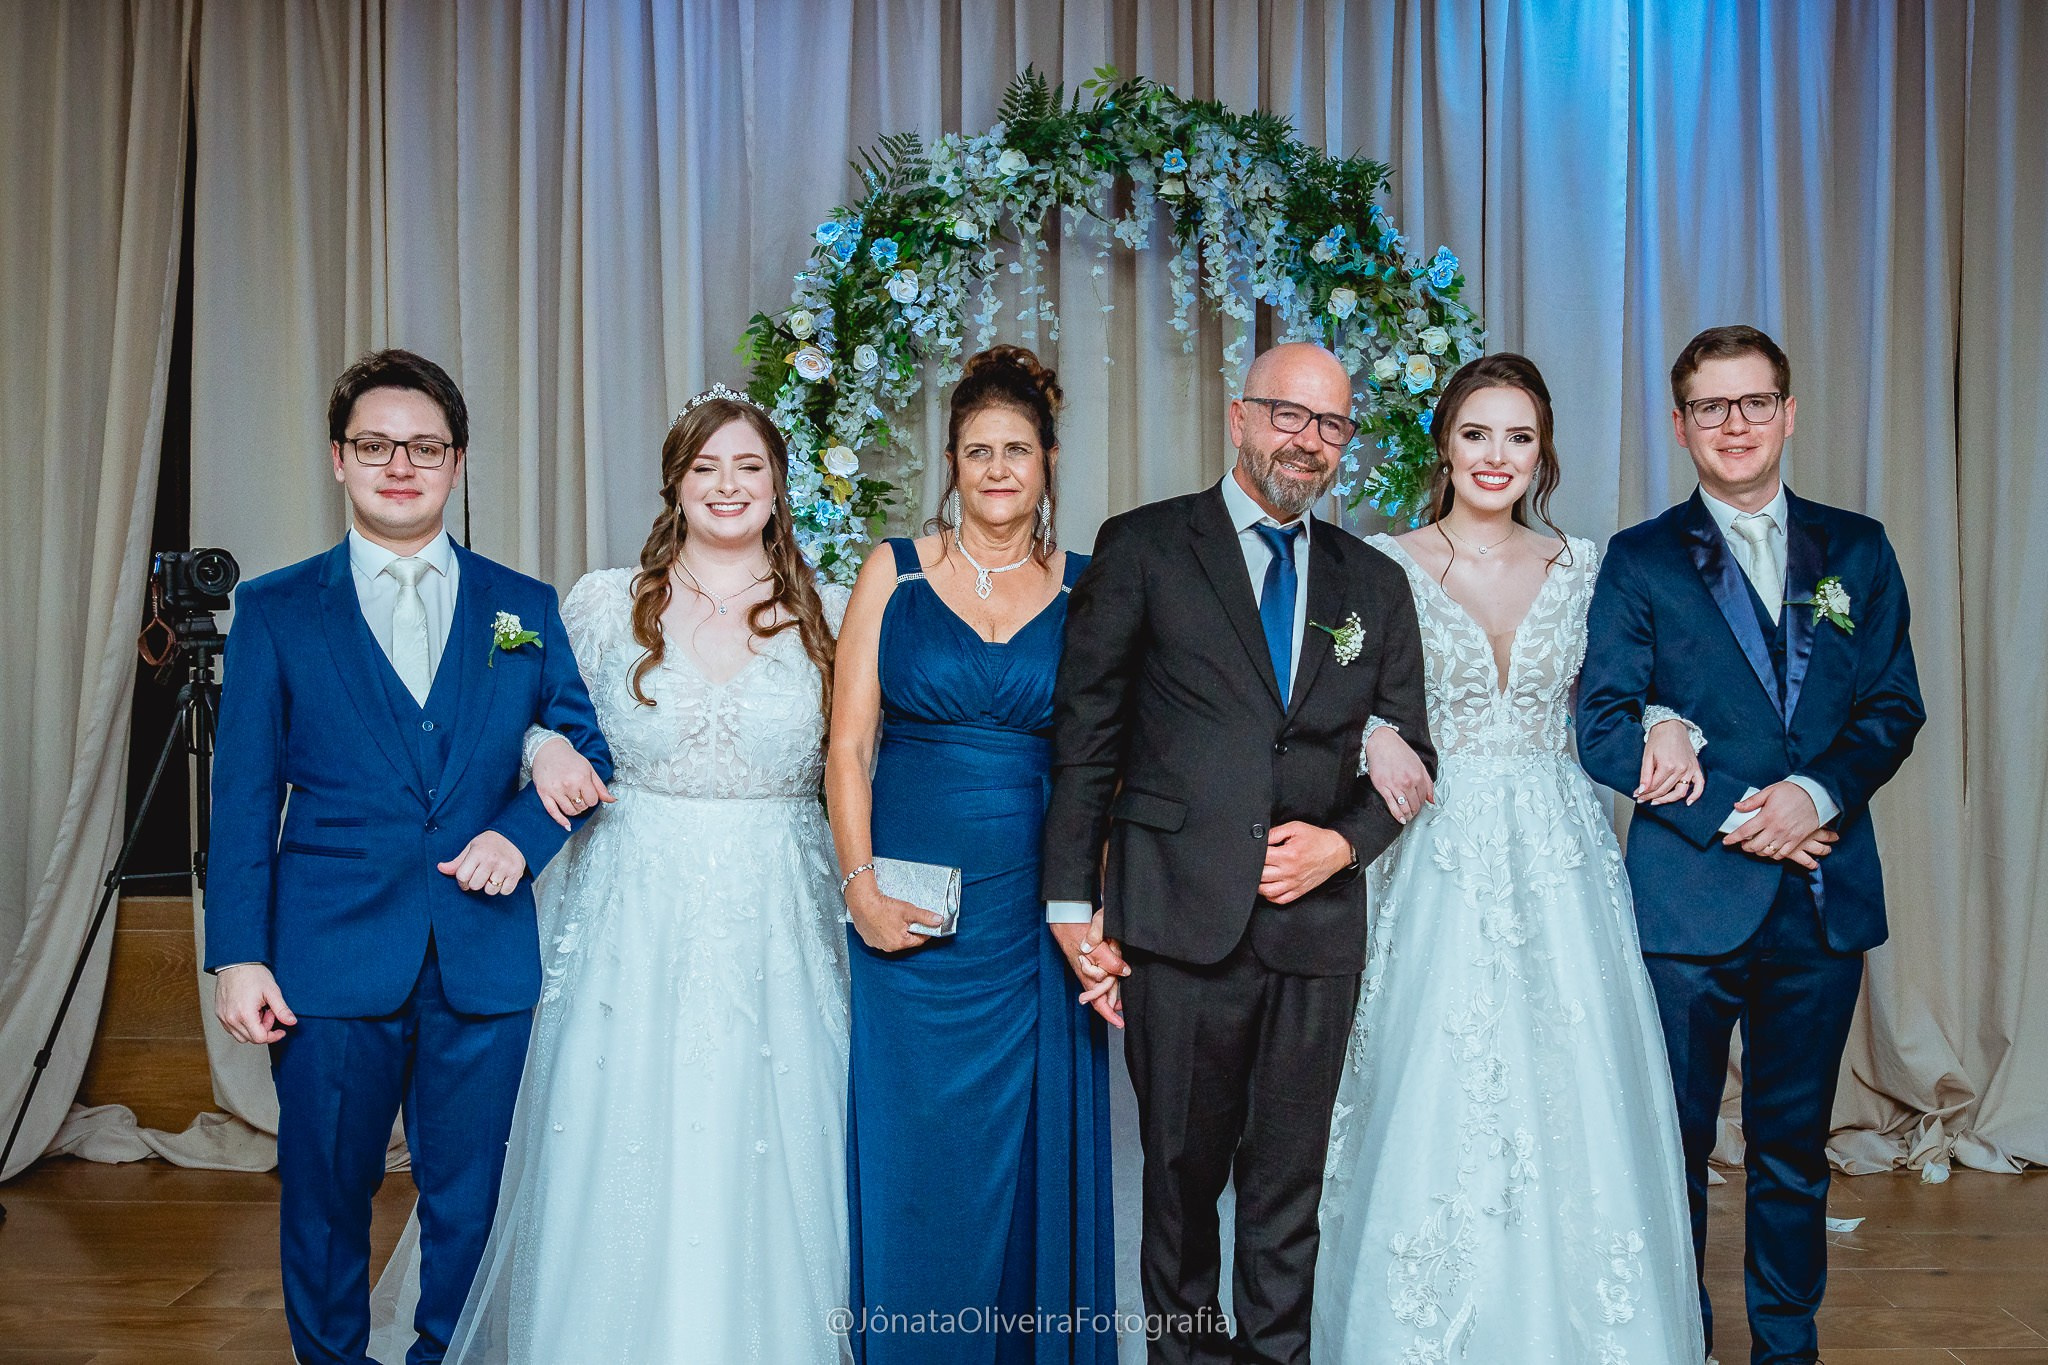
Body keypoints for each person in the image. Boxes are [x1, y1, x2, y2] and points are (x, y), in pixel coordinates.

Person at [373, 384, 854, 1362]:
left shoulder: (834, 611)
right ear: (675, 483)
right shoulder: (595, 602)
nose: (727, 485)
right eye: (705, 466)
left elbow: (871, 758)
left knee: (778, 1137)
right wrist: (542, 742)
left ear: (777, 485)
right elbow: (494, 673)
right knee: (615, 1133)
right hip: (629, 910)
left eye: (748, 467)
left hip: (781, 919)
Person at [205, 349, 612, 1365]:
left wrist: (518, 843)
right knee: (327, 1203)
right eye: (376, 445)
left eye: (424, 446)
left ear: (457, 463)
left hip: (481, 960)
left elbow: (584, 752)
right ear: (339, 459)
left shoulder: (520, 606)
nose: (401, 464)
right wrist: (238, 954)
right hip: (328, 957)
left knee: (470, 1206)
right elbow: (245, 797)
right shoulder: (277, 608)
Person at [1040, 341, 1433, 1365]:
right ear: (1240, 417)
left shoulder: (1374, 585)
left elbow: (1409, 755)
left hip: (1313, 934)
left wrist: (1342, 846)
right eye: (1288, 416)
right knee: (1177, 1192)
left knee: (1283, 1196)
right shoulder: (1142, 547)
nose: (1307, 441)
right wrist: (1068, 902)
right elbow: (1086, 736)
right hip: (1175, 923)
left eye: (1331, 425)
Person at [1314, 353, 1708, 1362]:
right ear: (1443, 444)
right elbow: (1317, 702)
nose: (1496, 456)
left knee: (1574, 1084)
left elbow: (1622, 690)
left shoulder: (1585, 566)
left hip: (1558, 849)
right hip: (1431, 844)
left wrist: (1667, 723)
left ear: (1543, 453)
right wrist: (1371, 737)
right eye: (1477, 433)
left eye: (1518, 436)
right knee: (1431, 1078)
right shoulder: (1378, 564)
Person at [1578, 325, 1925, 1365]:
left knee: (1791, 1152)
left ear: (1787, 412)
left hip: (1820, 902)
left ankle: (1785, 1347)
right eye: (1710, 408)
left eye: (1754, 402)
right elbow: (1601, 723)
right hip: (1687, 902)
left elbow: (1891, 706)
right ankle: (1676, 1341)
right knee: (1670, 1151)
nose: (1734, 424)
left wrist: (1813, 794)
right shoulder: (1637, 559)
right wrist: (1742, 814)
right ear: (1678, 425)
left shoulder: (1854, 548)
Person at [827, 346, 1116, 1364]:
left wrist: (1093, 909)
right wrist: (859, 887)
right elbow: (849, 745)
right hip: (907, 923)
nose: (997, 468)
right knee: (915, 1159)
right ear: (950, 463)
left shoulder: (1089, 588)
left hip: (1035, 924)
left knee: (1029, 1162)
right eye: (976, 450)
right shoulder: (891, 572)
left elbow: (1109, 765)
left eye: (1017, 450)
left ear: (1046, 463)